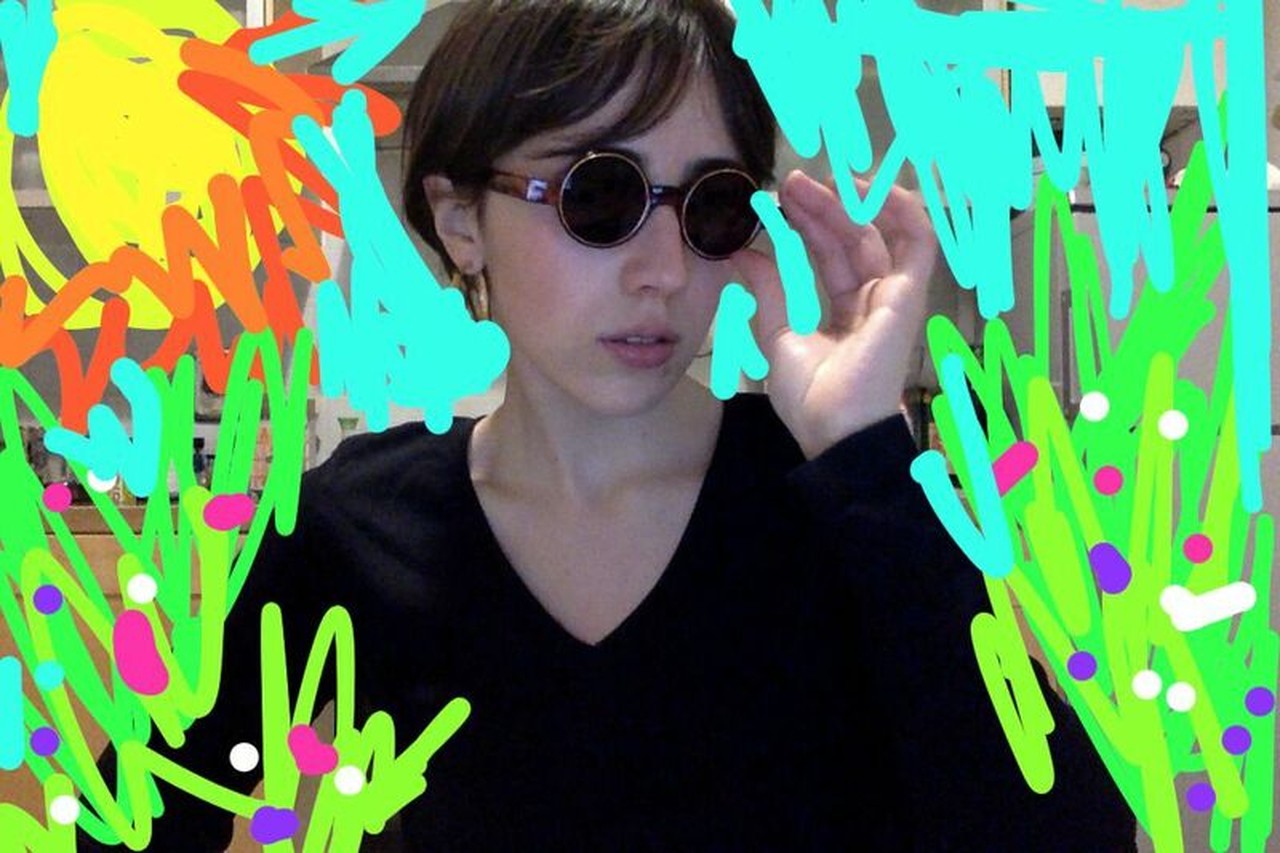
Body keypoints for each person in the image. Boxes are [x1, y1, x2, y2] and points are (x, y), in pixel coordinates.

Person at [84, 0, 1137, 848]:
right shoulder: (353, 527)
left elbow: (1072, 834)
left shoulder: (842, 506)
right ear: (460, 220)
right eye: (599, 197)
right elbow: (130, 817)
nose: (664, 269)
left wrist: (866, 451)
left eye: (710, 204)